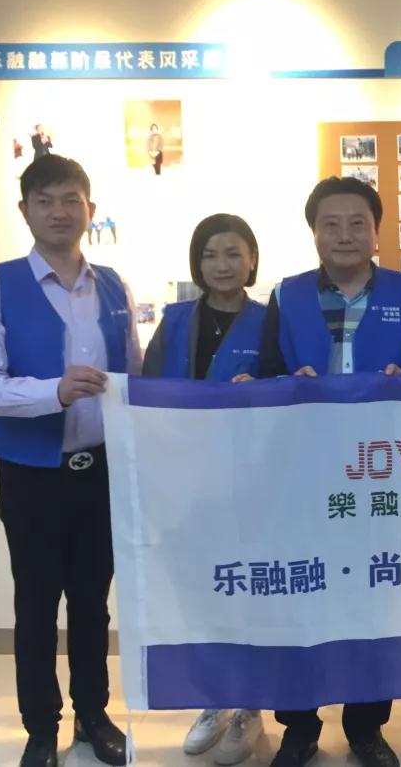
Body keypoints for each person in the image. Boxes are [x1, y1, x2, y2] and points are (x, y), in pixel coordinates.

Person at [0, 155, 141, 767]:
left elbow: (132, 375)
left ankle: (93, 715)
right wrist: (53, 392)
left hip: (102, 472)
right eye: (45, 201)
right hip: (31, 475)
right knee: (36, 604)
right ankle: (41, 727)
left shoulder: (113, 286)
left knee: (92, 603)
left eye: (71, 199)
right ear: (25, 211)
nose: (59, 212)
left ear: (90, 209)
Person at [255, 176, 401, 767]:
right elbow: (267, 375)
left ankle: (365, 726)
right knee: (299, 594)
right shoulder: (286, 296)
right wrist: (288, 384)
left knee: (375, 596)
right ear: (314, 233)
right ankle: (299, 727)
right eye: (330, 224)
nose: (345, 234)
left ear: (377, 231)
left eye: (358, 222)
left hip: (379, 477)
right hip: (302, 475)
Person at [142, 213, 266, 761]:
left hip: (251, 484)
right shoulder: (174, 321)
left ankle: (250, 707)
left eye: (233, 253)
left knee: (250, 595)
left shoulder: (269, 321)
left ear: (252, 260)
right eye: (210, 254)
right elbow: (147, 394)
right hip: (185, 484)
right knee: (199, 593)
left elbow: (290, 392)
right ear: (197, 263)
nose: (222, 265)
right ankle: (215, 698)